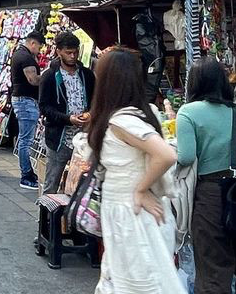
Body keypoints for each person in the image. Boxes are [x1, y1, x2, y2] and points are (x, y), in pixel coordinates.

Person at [81, 47, 183, 294]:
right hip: (133, 214)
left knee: (139, 284)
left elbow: (166, 155)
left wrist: (140, 189)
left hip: (132, 215)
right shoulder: (143, 114)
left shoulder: (122, 121)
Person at [175, 56, 236, 294]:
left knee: (213, 269)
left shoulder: (188, 113)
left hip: (210, 194)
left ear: (194, 83)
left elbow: (186, 157)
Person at [38, 31, 95, 194]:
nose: (72, 56)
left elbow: (95, 99)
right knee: (52, 183)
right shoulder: (49, 77)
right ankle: (46, 217)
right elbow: (44, 108)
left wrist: (90, 114)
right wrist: (68, 119)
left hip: (84, 139)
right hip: (59, 140)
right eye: (68, 52)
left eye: (75, 52)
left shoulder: (87, 75)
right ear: (58, 52)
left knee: (80, 184)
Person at [10, 31, 45, 189]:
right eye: (39, 47)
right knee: (25, 141)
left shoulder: (19, 54)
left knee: (25, 139)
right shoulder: (25, 57)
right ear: (33, 43)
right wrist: (47, 75)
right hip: (26, 102)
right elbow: (33, 80)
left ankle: (28, 173)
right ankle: (26, 175)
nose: (39, 50)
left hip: (23, 100)